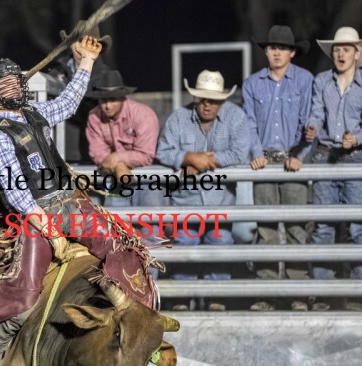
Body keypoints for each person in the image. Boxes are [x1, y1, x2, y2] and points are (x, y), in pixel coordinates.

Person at [0, 36, 158, 366]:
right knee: (23, 299)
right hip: (35, 217)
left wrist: (86, 62)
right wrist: (50, 231)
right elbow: (16, 192)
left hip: (70, 201)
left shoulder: (35, 114)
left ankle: (137, 322)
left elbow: (68, 103)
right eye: (5, 84)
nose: (14, 86)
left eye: (16, 80)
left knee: (122, 249)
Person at [156, 70, 250, 311]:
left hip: (220, 201)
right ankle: (182, 297)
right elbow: (163, 152)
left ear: (222, 100)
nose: (207, 105)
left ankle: (216, 298)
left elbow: (240, 153)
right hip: (185, 201)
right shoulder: (178, 118)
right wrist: (188, 157)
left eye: (214, 100)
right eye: (203, 99)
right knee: (185, 243)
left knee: (220, 242)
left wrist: (203, 161)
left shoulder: (235, 117)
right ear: (195, 98)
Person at [242, 25, 314, 312]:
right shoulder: (252, 83)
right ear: (266, 51)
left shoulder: (305, 80)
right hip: (264, 162)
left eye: (282, 48)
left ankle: (299, 292)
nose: (276, 52)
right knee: (266, 228)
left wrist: (300, 154)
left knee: (297, 227)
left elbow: (309, 120)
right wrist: (256, 153)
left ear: (292, 53)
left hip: (292, 161)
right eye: (272, 47)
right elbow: (249, 122)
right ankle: (267, 291)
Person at [305, 27, 362, 311]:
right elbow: (316, 112)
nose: (340, 54)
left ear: (357, 54)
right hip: (326, 155)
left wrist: (357, 138)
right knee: (324, 227)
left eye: (346, 50)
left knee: (357, 227)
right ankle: (324, 293)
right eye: (336, 50)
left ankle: (358, 292)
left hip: (355, 158)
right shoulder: (322, 81)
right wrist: (312, 127)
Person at [86, 69, 165, 209]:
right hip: (115, 176)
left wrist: (117, 158)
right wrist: (118, 165)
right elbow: (97, 152)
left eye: (113, 99)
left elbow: (147, 155)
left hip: (148, 178)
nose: (107, 106)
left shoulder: (143, 115)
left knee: (150, 219)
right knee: (114, 219)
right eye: (103, 100)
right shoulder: (94, 116)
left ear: (123, 97)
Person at [46, 21, 111, 163]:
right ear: (70, 44)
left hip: (93, 159)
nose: (84, 48)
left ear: (98, 48)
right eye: (80, 41)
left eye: (91, 43)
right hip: (55, 157)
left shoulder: (109, 78)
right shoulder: (54, 75)